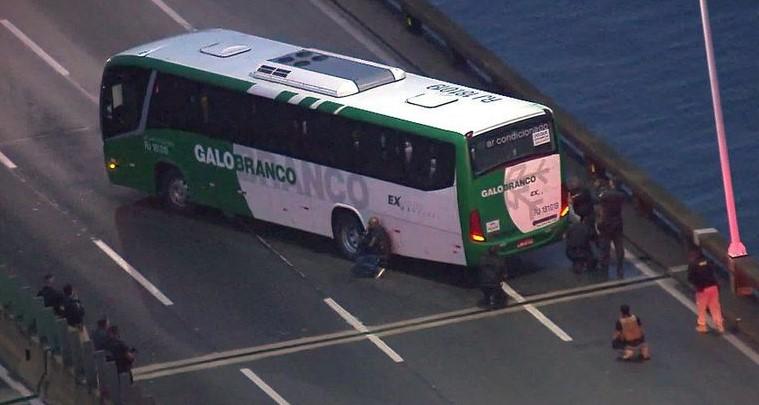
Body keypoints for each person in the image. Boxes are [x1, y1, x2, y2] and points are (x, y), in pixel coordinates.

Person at [687, 251, 724, 334]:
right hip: (713, 286)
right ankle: (719, 325)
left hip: (702, 289)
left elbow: (690, 278)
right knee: (715, 306)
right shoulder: (708, 261)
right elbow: (713, 271)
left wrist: (695, 285)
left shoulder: (693, 265)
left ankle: (702, 325)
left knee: (701, 307)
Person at [596, 178, 626, 278]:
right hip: (617, 223)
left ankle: (604, 265)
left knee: (605, 245)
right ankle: (620, 265)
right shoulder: (621, 196)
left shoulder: (605, 195)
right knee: (619, 245)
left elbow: (598, 198)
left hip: (606, 223)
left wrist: (599, 187)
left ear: (612, 184)